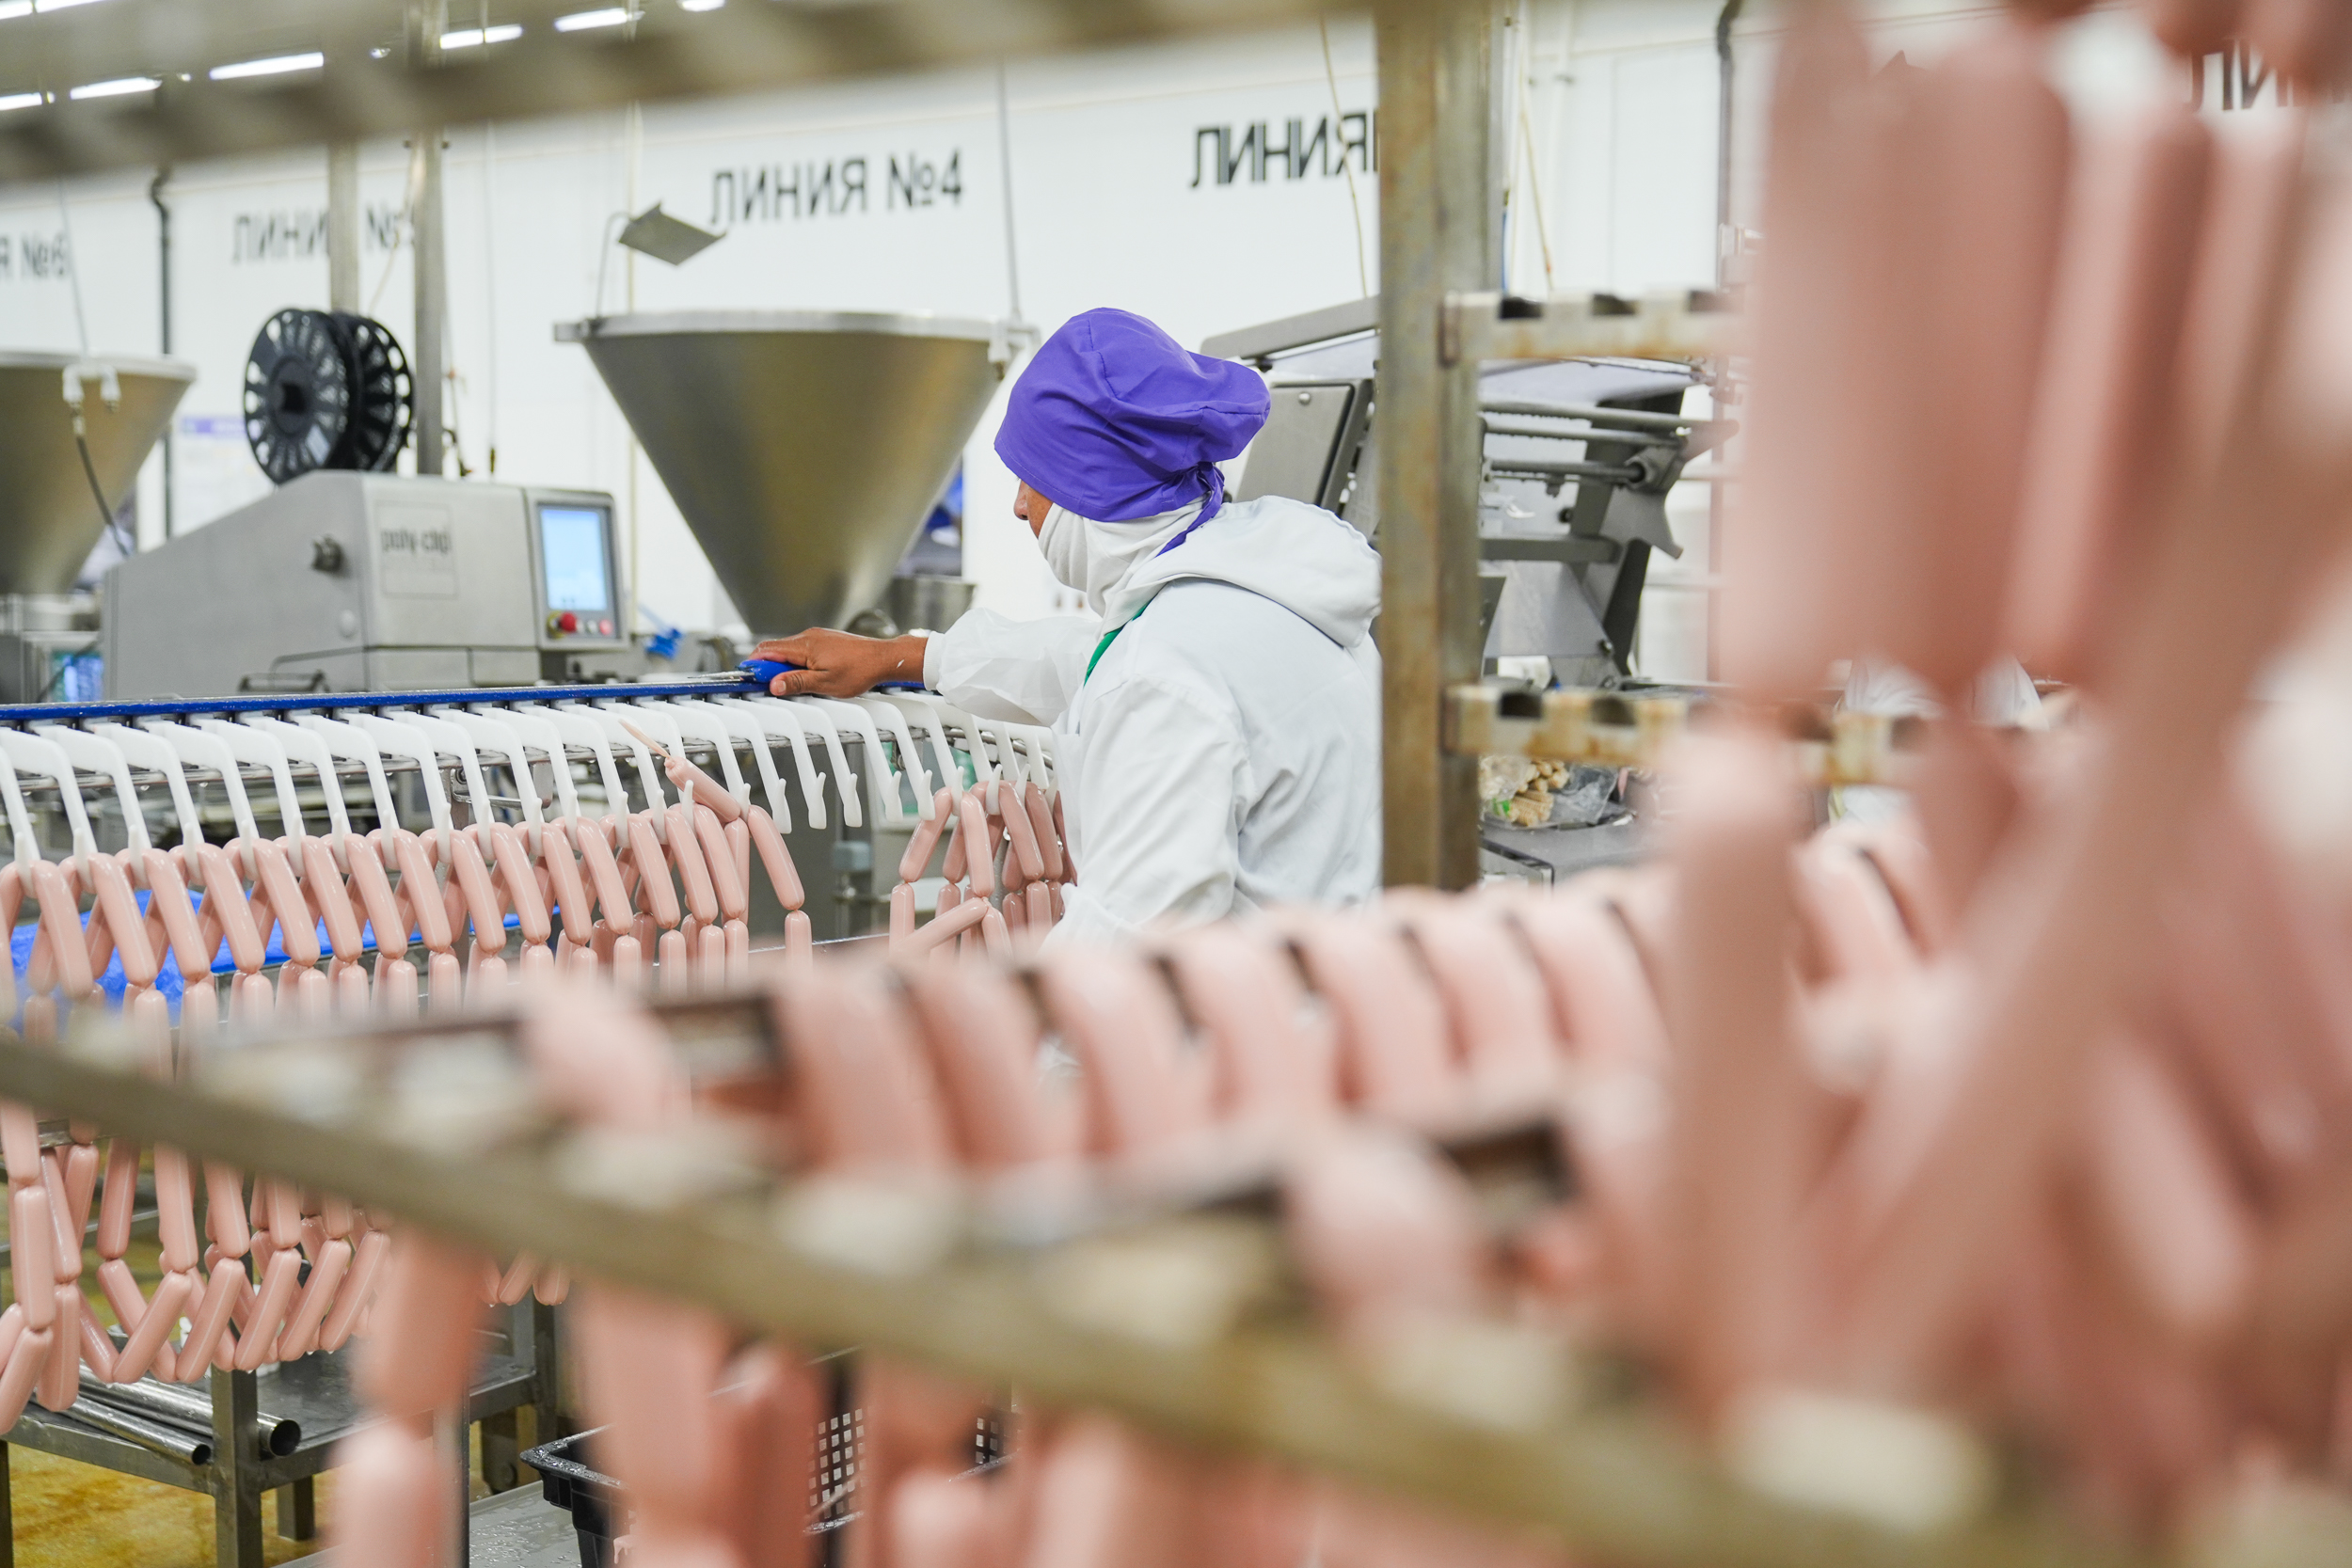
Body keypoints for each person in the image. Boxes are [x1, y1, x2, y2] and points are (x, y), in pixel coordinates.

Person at [751, 307, 1382, 943]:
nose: (1019, 505)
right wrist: (905, 656)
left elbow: (1126, 946)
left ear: (1088, 487)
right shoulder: (1265, 592)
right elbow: (1085, 659)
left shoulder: (1162, 676)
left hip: (1258, 1005)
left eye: (1033, 478)